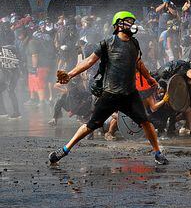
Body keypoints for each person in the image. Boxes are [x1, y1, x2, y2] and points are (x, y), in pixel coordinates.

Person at [48, 11, 169, 165]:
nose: (131, 25)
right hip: (110, 94)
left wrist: (149, 78)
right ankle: (64, 150)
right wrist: (70, 74)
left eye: (132, 22)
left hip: (130, 94)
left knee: (145, 121)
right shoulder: (107, 43)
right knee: (91, 125)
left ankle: (157, 153)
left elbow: (138, 62)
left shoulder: (134, 43)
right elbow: (89, 61)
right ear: (118, 25)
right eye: (127, 22)